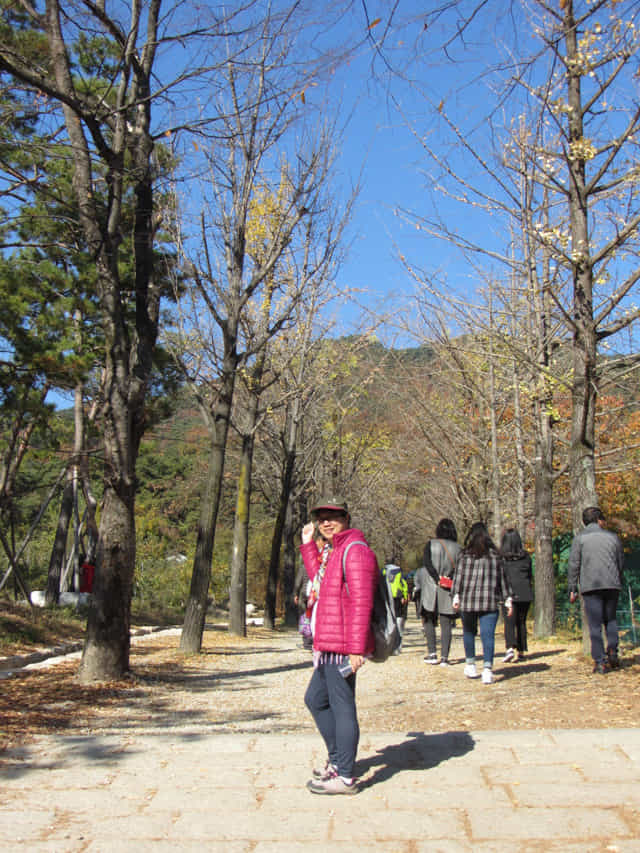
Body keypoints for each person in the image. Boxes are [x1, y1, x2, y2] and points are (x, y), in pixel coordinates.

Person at [300, 497, 378, 795]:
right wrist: (308, 545)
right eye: (321, 518)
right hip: (328, 643)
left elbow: (362, 602)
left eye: (333, 516)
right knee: (315, 700)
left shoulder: (355, 551)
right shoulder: (335, 550)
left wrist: (357, 649)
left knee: (343, 707)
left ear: (346, 517)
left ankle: (345, 776)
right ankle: (338, 760)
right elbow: (319, 581)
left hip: (343, 644)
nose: (326, 522)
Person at [452, 523, 513, 684]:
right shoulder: (496, 556)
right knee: (488, 635)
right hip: (489, 601)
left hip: (468, 601)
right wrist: (508, 599)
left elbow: (458, 578)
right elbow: (503, 579)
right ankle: (487, 669)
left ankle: (471, 664)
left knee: (469, 632)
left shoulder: (464, 556)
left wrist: (456, 596)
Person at [568, 506, 625, 674]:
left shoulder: (580, 539)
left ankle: (600, 661)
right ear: (599, 520)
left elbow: (574, 564)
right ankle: (613, 650)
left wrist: (572, 587)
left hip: (591, 586)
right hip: (612, 583)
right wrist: (618, 578)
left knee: (595, 625)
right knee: (611, 620)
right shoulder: (613, 537)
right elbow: (620, 561)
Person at [414, 518, 461, 665]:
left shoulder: (431, 544)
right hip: (447, 588)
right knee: (446, 623)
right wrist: (447, 579)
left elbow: (427, 563)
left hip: (430, 587)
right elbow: (459, 568)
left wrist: (436, 578)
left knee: (428, 620)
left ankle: (432, 652)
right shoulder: (458, 548)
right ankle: (445, 657)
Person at [500, 528, 533, 663]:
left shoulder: (502, 559)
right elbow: (530, 574)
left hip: (509, 593)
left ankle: (509, 648)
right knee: (521, 622)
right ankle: (521, 650)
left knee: (509, 622)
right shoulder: (526, 557)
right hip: (525, 592)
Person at [385, 561, 408, 652]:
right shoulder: (398, 571)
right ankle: (398, 646)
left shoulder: (384, 571)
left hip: (387, 596)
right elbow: (403, 584)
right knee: (398, 618)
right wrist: (404, 595)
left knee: (389, 620)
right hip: (397, 597)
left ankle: (388, 645)